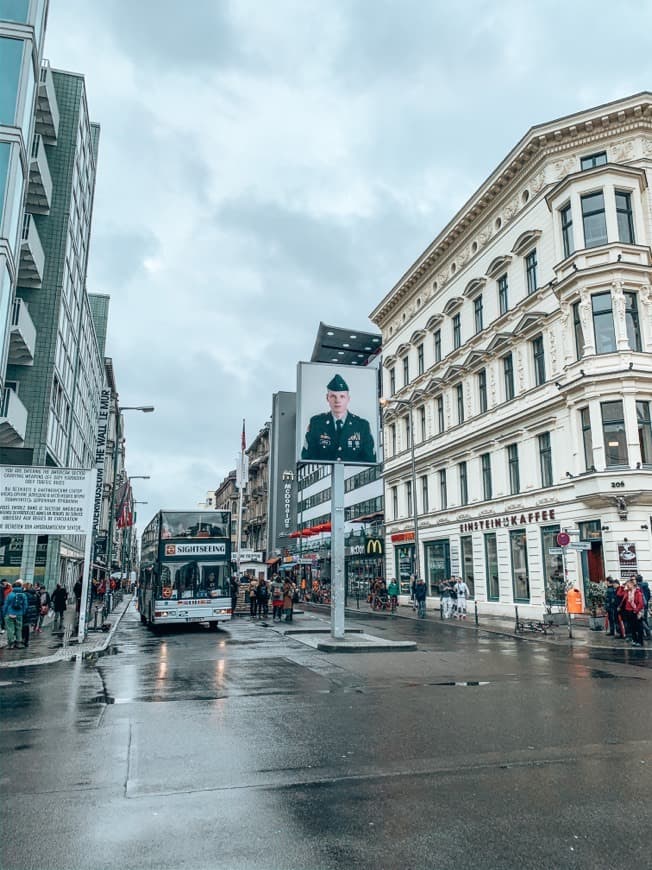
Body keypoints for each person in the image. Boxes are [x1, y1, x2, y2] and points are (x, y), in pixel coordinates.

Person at [301, 373, 376, 463]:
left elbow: (370, 460)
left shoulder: (362, 426)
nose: (337, 400)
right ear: (327, 398)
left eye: (342, 396)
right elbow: (307, 458)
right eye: (333, 396)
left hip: (353, 476)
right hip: (326, 475)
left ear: (348, 399)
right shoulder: (317, 423)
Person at [2, 580, 28, 649]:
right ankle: (18, 643)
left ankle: (11, 643)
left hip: (9, 613)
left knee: (10, 629)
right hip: (19, 614)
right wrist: (22, 612)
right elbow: (25, 606)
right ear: (20, 587)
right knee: (19, 628)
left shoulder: (10, 595)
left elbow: (6, 605)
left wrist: (4, 614)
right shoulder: (23, 595)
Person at [622, 578, 645, 646]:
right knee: (632, 628)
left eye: (628, 584)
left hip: (635, 612)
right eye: (627, 584)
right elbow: (620, 594)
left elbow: (641, 604)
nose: (627, 586)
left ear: (632, 585)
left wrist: (635, 611)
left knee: (639, 627)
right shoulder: (627, 592)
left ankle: (640, 642)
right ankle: (634, 640)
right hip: (629, 612)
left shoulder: (638, 593)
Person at [22, 582, 40, 647]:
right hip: (33, 611)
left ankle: (24, 640)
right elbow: (38, 603)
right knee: (27, 626)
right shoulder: (35, 594)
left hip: (27, 611)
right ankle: (26, 641)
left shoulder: (25, 594)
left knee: (24, 625)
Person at [635, 574, 650, 640]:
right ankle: (647, 634)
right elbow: (649, 595)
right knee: (645, 619)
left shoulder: (638, 587)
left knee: (641, 620)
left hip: (641, 605)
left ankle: (647, 633)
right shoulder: (646, 586)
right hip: (645, 605)